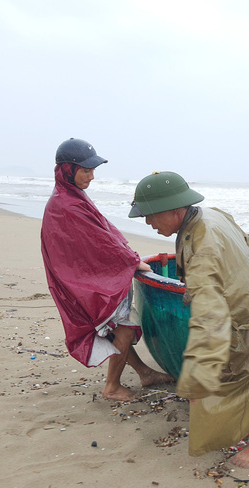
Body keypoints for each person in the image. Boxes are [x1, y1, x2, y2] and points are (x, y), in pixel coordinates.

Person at [129, 171, 249, 468]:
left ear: (176, 210)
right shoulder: (213, 215)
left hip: (245, 322)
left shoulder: (200, 245)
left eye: (151, 216)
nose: (149, 223)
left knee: (223, 386)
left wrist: (198, 375)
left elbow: (209, 314)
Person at [40, 138, 173, 402]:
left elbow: (100, 234)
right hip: (82, 280)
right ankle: (112, 387)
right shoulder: (66, 205)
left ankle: (144, 372)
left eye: (93, 171)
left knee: (116, 326)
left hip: (84, 276)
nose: (91, 176)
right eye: (86, 170)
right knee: (123, 327)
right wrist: (132, 262)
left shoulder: (70, 195)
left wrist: (128, 256)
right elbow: (97, 243)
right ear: (68, 169)